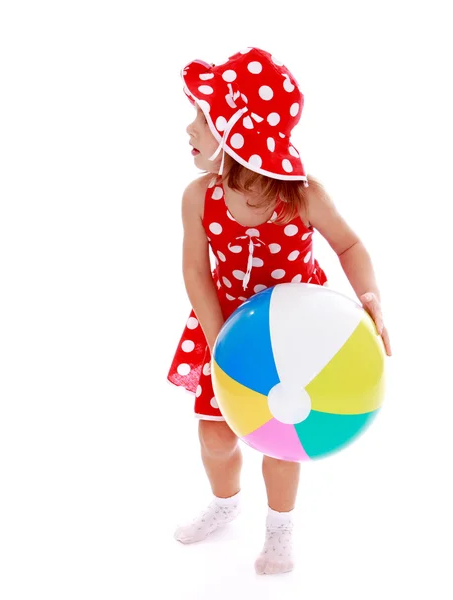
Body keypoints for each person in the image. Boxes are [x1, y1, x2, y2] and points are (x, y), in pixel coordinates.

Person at [167, 47, 392, 575]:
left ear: (230, 136)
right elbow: (196, 272)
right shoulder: (198, 197)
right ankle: (225, 505)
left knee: (284, 436)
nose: (189, 127)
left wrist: (369, 297)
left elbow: (350, 247)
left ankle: (279, 528)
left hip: (298, 337)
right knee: (215, 434)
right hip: (222, 328)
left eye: (202, 118)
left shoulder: (306, 196)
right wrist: (217, 334)